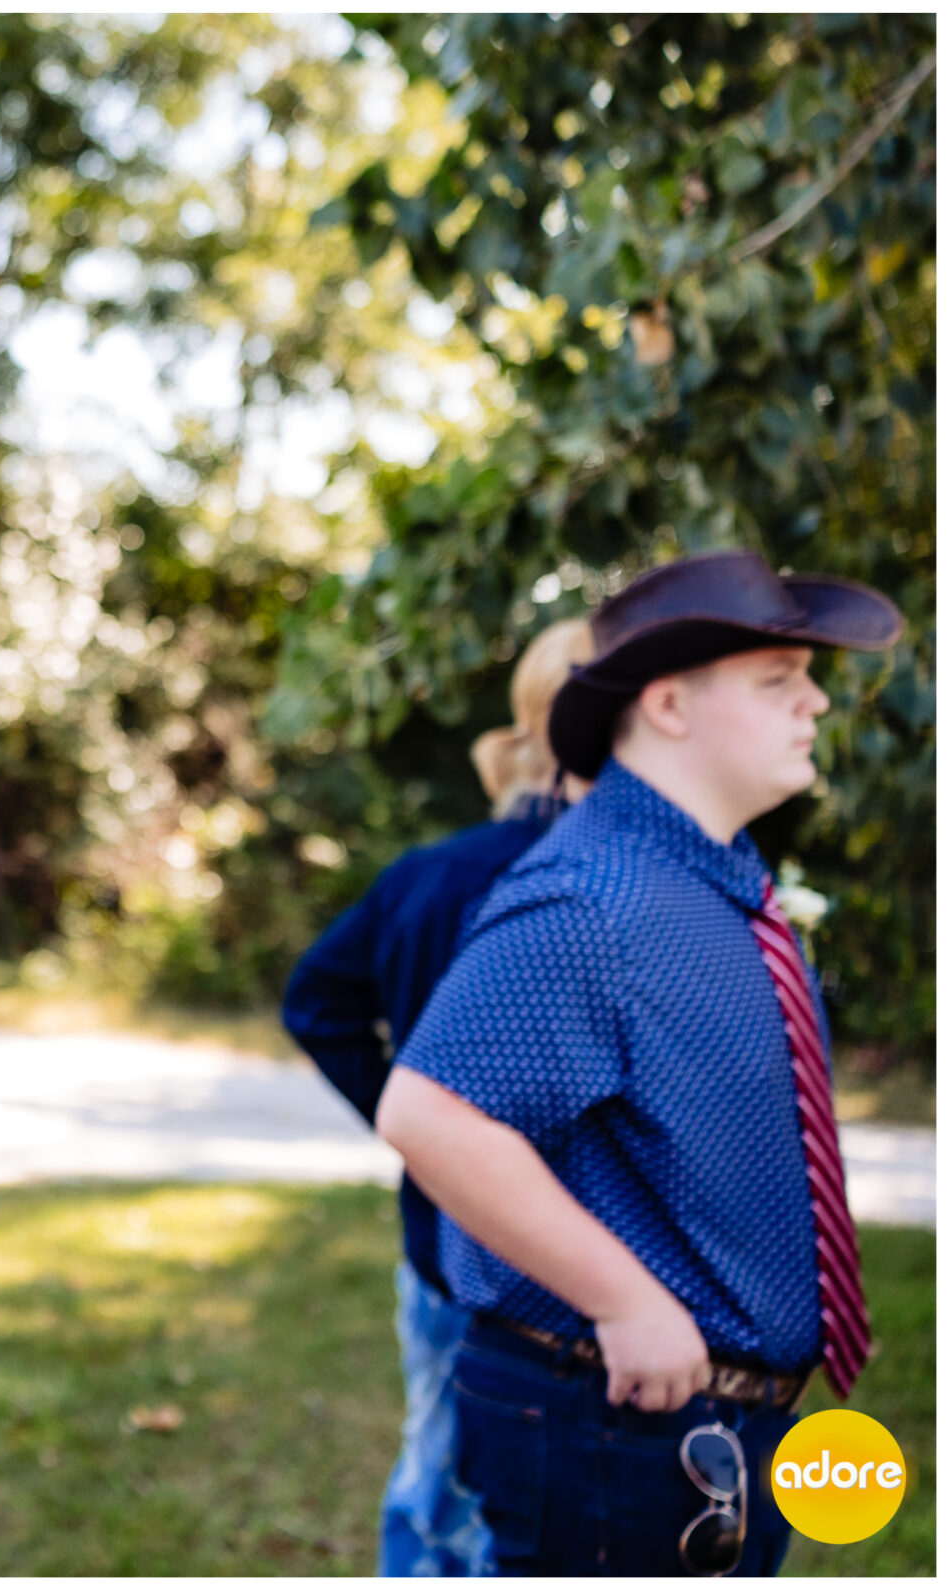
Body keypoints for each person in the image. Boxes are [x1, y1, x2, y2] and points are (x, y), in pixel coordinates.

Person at [377, 548, 902, 1576]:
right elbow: (428, 1113)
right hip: (616, 1430)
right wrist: (623, 1297)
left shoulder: (712, 879)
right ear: (668, 704)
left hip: (713, 1428)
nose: (815, 702)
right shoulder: (594, 897)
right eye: (776, 679)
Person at [281, 616, 593, 1577]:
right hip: (563, 1254)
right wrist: (412, 1117)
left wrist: (410, 1123)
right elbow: (317, 1002)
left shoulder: (430, 873)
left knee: (439, 1475)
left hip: (443, 1239)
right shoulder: (584, 883)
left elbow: (315, 1001)